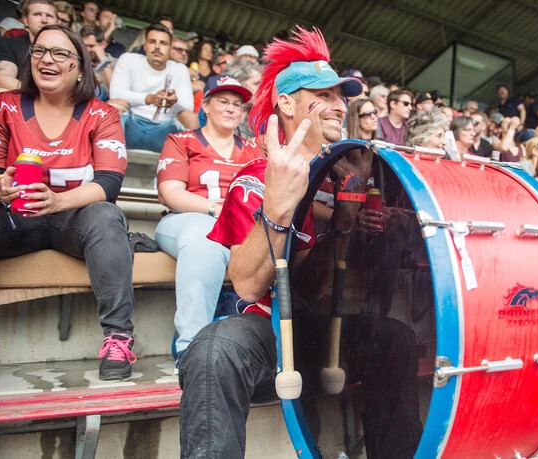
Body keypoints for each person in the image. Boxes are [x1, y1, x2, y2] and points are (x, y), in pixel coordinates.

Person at [178, 26, 422, 458]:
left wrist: (355, 217)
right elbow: (249, 286)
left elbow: (336, 280)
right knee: (213, 350)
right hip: (272, 328)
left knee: (396, 339)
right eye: (322, 95)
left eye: (340, 97)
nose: (337, 106)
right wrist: (277, 206)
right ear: (286, 103)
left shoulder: (355, 177)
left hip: (333, 326)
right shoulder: (256, 177)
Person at [0, 24, 136, 380]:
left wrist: (56, 202)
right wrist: (0, 187)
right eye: (40, 51)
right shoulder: (5, 106)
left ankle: (119, 338)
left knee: (106, 216)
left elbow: (108, 182)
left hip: (71, 221)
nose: (47, 59)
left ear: (79, 68)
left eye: (60, 53)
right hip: (13, 217)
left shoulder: (102, 114)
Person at [156, 75, 263, 369]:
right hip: (187, 219)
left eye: (237, 105)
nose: (231, 109)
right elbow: (171, 193)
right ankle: (191, 349)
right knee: (204, 239)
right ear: (205, 105)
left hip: (241, 228)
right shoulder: (182, 141)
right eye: (223, 102)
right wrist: (217, 209)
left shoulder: (253, 148)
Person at [109, 23, 195, 152]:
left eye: (163, 43)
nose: (157, 47)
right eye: (152, 42)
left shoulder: (180, 69)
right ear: (145, 46)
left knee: (189, 116)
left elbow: (188, 106)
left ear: (170, 48)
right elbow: (115, 94)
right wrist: (149, 98)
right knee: (115, 105)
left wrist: (173, 101)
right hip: (132, 123)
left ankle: (192, 167)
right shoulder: (129, 60)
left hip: (164, 129)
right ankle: (107, 162)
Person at [0, 0, 56, 92]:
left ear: (57, 21)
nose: (44, 20)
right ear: (26, 20)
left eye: (49, 16)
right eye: (37, 14)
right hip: (24, 97)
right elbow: (2, 78)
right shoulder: (9, 44)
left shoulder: (67, 48)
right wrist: (38, 96)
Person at [223, 59, 263, 140]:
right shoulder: (220, 112)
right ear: (239, 85)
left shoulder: (259, 115)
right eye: (256, 83)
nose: (262, 89)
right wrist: (254, 141)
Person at [79, 25, 111, 99]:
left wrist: (104, 60)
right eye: (84, 46)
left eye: (91, 46)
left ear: (103, 44)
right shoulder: (78, 62)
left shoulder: (116, 63)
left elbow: (115, 90)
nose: (87, 50)